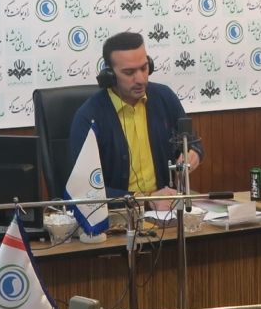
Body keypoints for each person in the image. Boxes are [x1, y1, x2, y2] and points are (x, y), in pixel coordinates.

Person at [70, 32, 203, 201]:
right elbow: (85, 190)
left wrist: (194, 153)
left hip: (167, 204)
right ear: (109, 75)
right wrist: (146, 200)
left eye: (144, 68)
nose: (140, 79)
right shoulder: (89, 117)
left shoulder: (164, 97)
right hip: (119, 211)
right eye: (129, 72)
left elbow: (193, 142)